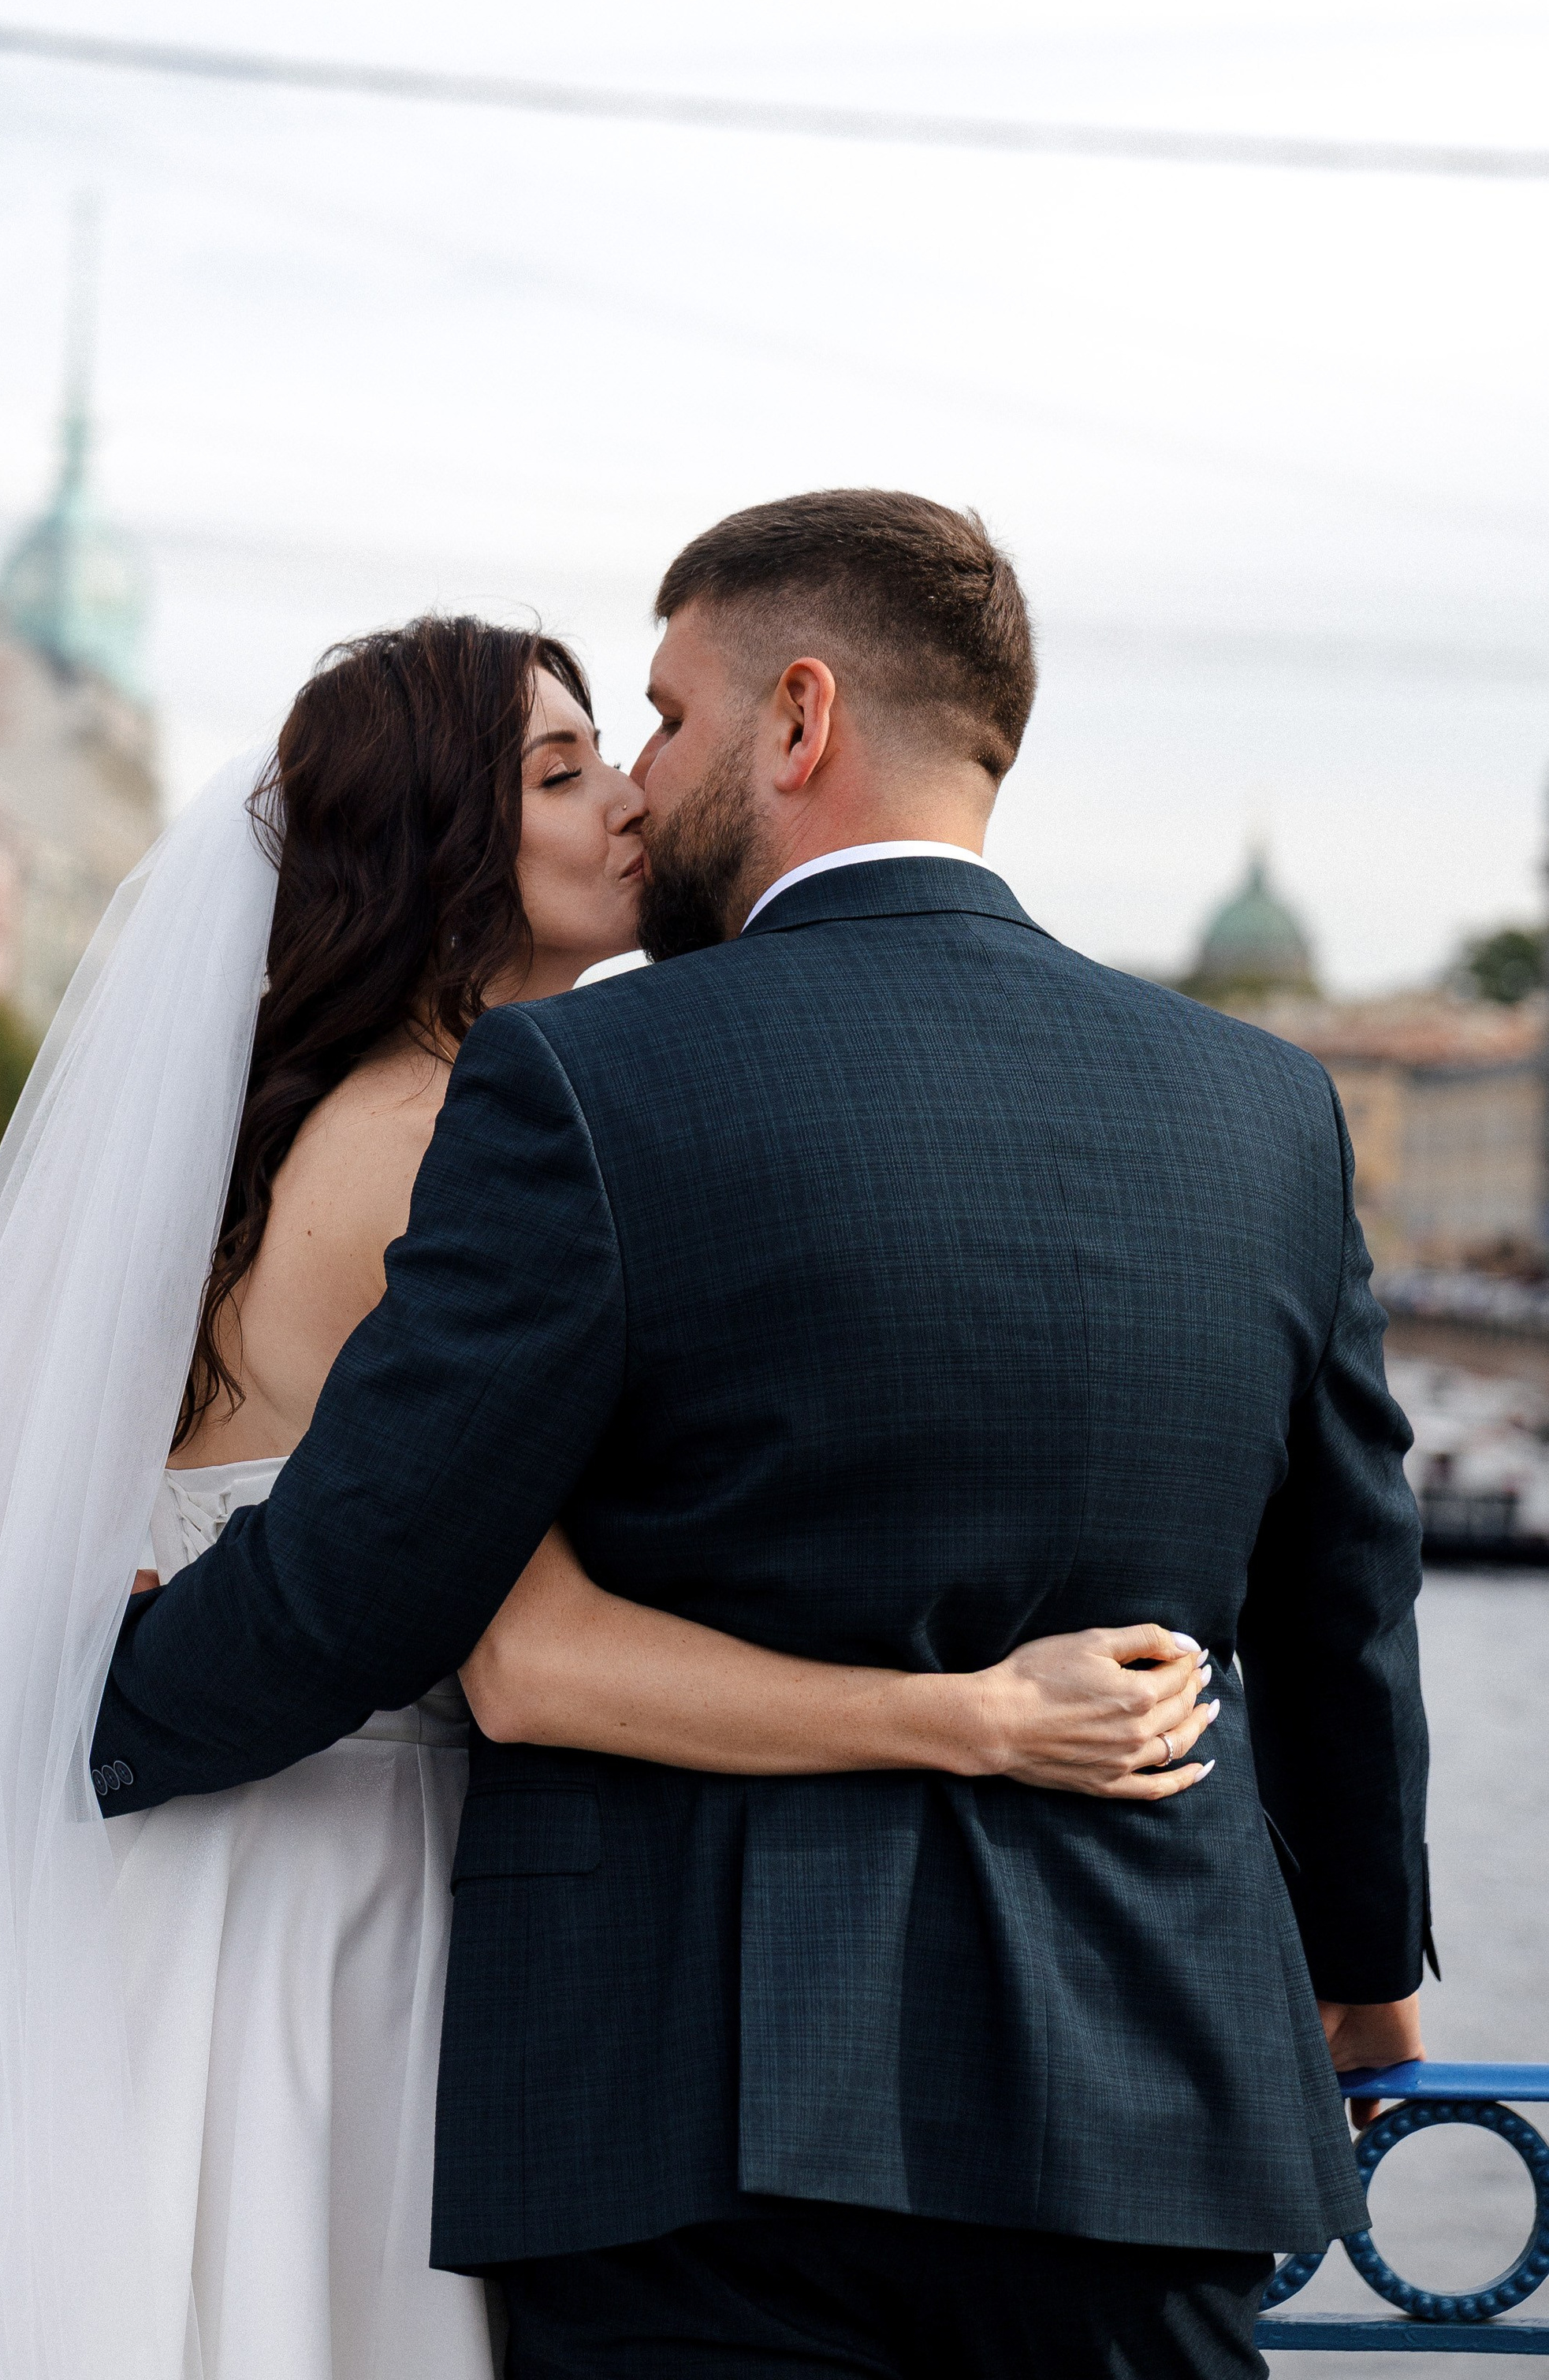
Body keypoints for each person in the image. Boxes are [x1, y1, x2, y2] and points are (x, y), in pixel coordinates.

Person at [0, 609, 1210, 2380]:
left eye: (615, 748)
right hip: (330, 1902)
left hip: (194, 1883)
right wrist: (975, 1716)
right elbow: (534, 1659)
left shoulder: (332, 1116)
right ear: (441, 846)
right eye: (561, 774)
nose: (629, 799)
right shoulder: (433, 1141)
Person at [94, 494, 1432, 2380]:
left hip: (684, 2102)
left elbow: (375, 1561)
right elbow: (1339, 1600)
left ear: (796, 719)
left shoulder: (580, 1080)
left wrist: (110, 1706)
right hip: (1144, 2088)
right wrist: (1361, 1971)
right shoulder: (1265, 1108)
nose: (641, 779)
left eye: (660, 716)